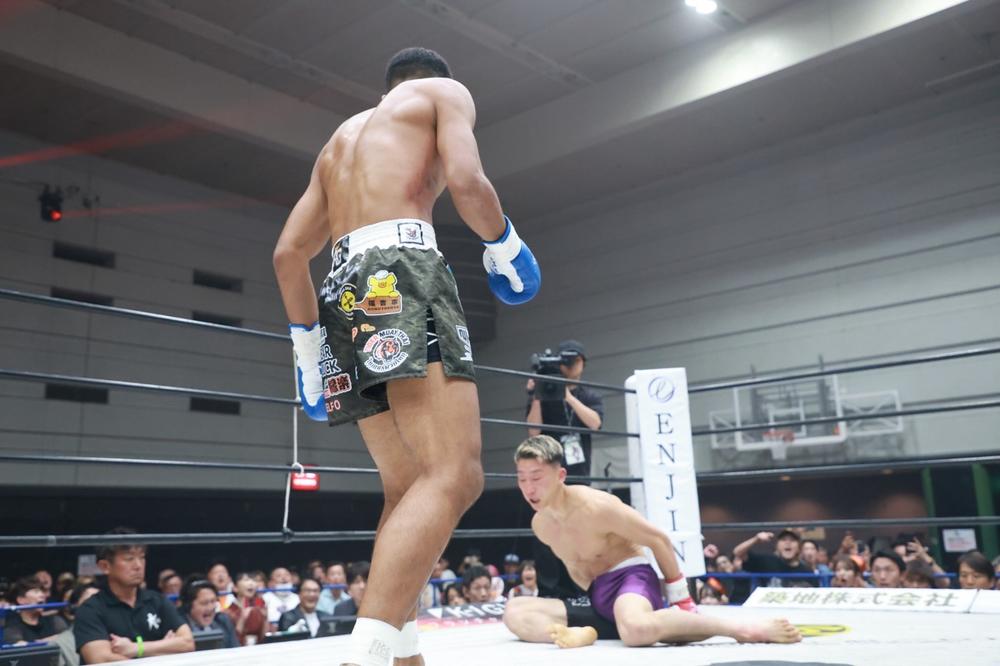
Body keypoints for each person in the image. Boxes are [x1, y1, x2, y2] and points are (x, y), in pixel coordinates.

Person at [272, 46, 540, 666]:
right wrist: (505, 245)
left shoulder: (339, 141)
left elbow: (288, 254)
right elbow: (468, 182)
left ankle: (402, 651)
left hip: (339, 291)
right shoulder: (445, 93)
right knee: (457, 474)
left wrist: (308, 355)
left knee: (406, 488)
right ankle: (366, 654)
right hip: (401, 271)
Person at [504, 436, 800, 649]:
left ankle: (742, 630)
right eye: (522, 479)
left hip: (629, 580)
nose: (529, 488)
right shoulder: (541, 525)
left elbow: (658, 539)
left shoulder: (597, 507)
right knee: (514, 612)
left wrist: (681, 599)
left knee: (635, 629)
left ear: (560, 475)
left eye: (536, 477)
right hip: (595, 595)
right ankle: (585, 632)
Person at [72, 527, 194, 663]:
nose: (138, 565)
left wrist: (136, 648)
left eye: (142, 557)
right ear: (105, 566)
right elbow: (100, 659)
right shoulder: (90, 610)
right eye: (129, 558)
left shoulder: (157, 600)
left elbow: (187, 643)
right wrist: (163, 651)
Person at [525, 340, 603, 480]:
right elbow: (533, 432)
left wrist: (567, 396)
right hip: (549, 467)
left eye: (576, 360)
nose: (571, 364)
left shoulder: (589, 395)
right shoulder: (545, 393)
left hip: (579, 472)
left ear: (583, 363)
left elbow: (595, 424)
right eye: (566, 361)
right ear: (558, 363)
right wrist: (537, 394)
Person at [734, 528, 815, 588]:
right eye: (783, 540)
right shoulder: (767, 561)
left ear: (799, 548)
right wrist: (756, 539)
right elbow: (737, 552)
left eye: (793, 540)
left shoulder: (807, 571)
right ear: (777, 546)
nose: (788, 542)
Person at [3, 575, 68, 643]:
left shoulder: (55, 621)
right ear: (21, 600)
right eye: (36, 592)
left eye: (42, 592)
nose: (42, 595)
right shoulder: (12, 625)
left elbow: (67, 639)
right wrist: (44, 641)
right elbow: (20, 646)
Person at [180, 577, 239, 649]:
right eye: (204, 603)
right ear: (188, 605)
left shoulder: (223, 621)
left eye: (213, 601)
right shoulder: (179, 627)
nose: (210, 608)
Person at [224, 572, 268, 646]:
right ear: (235, 588)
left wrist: (265, 619)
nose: (251, 583)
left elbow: (264, 638)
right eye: (246, 580)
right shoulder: (227, 613)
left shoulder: (258, 610)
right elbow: (230, 640)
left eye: (253, 581)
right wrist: (242, 619)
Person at [332, 562, 371, 636]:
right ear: (349, 588)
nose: (362, 586)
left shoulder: (382, 609)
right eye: (357, 582)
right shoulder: (340, 610)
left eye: (366, 581)